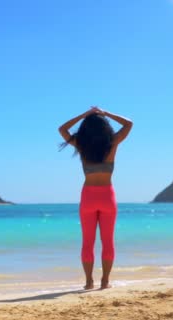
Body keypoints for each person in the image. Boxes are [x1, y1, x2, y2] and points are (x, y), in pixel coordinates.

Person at [58, 106, 133, 290]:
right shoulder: (113, 142)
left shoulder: (81, 144)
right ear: (105, 128)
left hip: (88, 197)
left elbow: (62, 129)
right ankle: (105, 281)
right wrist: (106, 113)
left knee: (88, 242)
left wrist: (84, 114)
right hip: (107, 195)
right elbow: (129, 123)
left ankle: (88, 281)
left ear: (85, 129)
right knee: (108, 241)